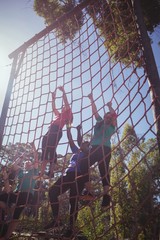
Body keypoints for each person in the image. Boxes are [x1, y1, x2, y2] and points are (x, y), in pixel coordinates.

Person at [44, 125, 91, 238]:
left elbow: (80, 141)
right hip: (68, 174)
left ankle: (70, 229)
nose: (84, 144)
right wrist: (69, 129)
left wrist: (80, 131)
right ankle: (57, 220)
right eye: (84, 143)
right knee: (52, 192)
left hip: (79, 177)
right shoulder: (76, 151)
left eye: (87, 144)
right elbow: (71, 140)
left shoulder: (88, 154)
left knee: (73, 202)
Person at [79, 93, 117, 208]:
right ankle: (90, 191)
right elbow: (95, 111)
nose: (108, 118)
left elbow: (114, 116)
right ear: (104, 118)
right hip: (94, 149)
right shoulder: (100, 122)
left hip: (105, 149)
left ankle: (106, 195)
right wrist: (91, 99)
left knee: (103, 171)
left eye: (110, 117)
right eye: (107, 117)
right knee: (83, 163)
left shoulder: (112, 126)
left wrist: (110, 107)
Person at [0, 142, 39, 240]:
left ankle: (6, 237)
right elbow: (13, 166)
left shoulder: (34, 171)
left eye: (29, 163)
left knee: (16, 215)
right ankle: (7, 210)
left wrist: (33, 147)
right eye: (26, 163)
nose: (27, 163)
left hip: (27, 194)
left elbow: (36, 159)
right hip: (17, 193)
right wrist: (21, 157)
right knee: (1, 198)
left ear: (31, 165)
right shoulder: (22, 172)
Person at [40, 86, 73, 177]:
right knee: (45, 146)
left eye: (64, 107)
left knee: (51, 148)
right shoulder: (59, 114)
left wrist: (63, 91)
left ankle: (51, 171)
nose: (62, 107)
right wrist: (53, 99)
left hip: (57, 130)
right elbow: (54, 108)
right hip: (50, 130)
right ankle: (42, 171)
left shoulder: (68, 113)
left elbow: (66, 102)